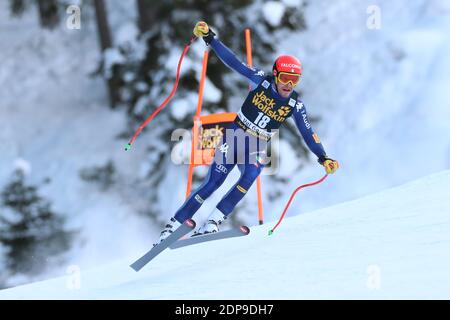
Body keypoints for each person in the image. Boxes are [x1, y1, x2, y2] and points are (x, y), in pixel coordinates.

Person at [154, 21, 339, 245]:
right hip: (235, 136)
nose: (288, 85)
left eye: (295, 80)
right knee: (214, 182)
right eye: (284, 79)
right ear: (275, 74)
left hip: (257, 146)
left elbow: (308, 132)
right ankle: (174, 225)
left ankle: (214, 220)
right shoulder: (261, 80)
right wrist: (211, 38)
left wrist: (324, 157)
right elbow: (234, 62)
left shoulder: (294, 104)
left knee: (251, 175)